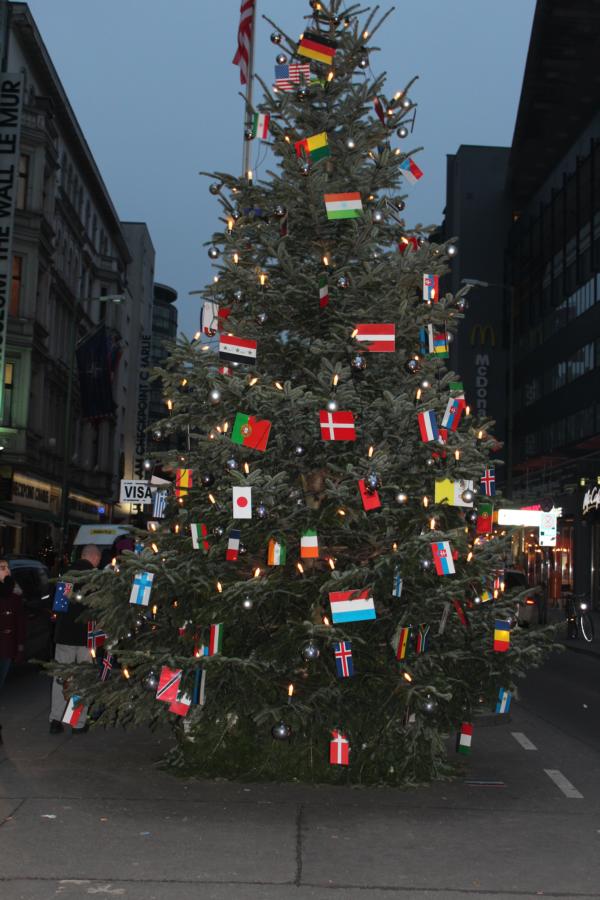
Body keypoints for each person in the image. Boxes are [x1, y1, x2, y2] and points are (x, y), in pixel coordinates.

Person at [49, 544, 101, 734]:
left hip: (64, 635)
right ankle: (77, 722)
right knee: (82, 679)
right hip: (87, 636)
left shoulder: (67, 574)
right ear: (94, 558)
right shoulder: (96, 578)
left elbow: (59, 606)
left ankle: (55, 720)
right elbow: (99, 608)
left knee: (61, 677)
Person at [0, 559, 26, 745]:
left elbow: (19, 623)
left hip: (6, 648)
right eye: (2, 568)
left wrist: (19, 646)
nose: (7, 571)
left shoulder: (15, 594)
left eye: (7, 567)